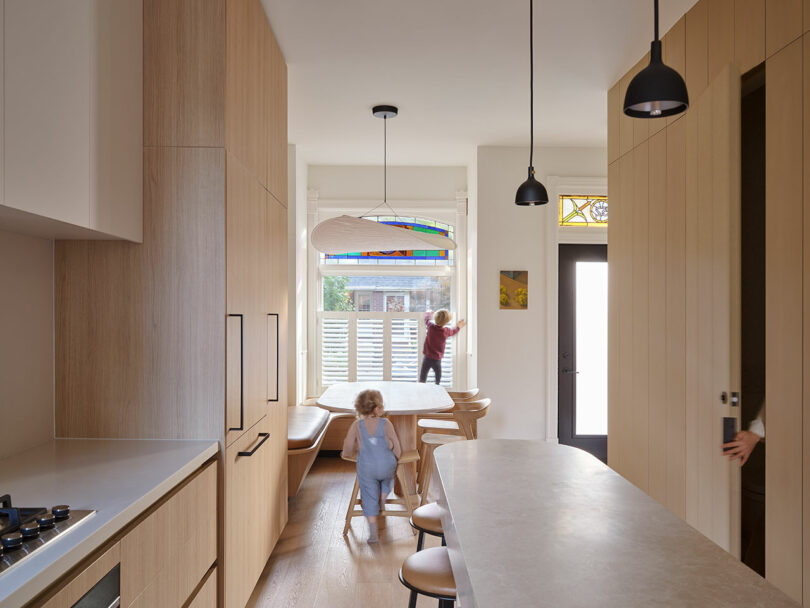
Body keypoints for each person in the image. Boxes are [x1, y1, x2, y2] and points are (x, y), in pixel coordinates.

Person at [341, 389, 402, 543]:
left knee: (368, 495)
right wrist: (397, 456)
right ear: (376, 409)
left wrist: (345, 454)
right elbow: (397, 448)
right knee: (389, 478)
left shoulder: (357, 425)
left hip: (367, 468)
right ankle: (383, 495)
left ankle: (373, 534)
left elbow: (348, 445)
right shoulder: (386, 423)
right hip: (386, 465)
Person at [419, 309, 466, 384]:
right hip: (437, 359)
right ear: (446, 322)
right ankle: (437, 388)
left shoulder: (431, 327)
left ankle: (420, 389)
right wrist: (458, 327)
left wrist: (428, 313)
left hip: (427, 357)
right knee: (438, 377)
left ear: (435, 318)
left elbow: (427, 320)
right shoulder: (446, 331)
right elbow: (454, 331)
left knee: (422, 377)